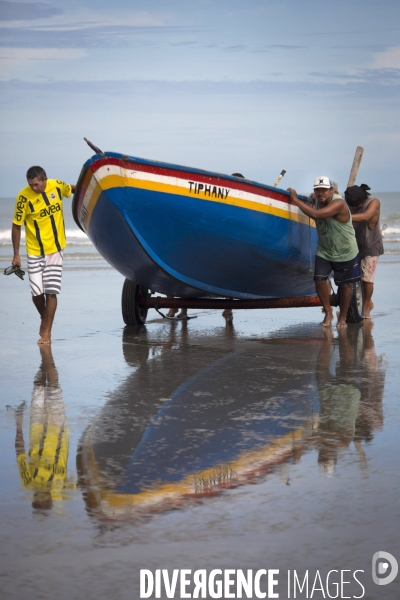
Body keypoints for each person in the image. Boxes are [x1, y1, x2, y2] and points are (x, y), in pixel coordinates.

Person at [12, 166, 75, 344]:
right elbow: (16, 225)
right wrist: (16, 254)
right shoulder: (23, 197)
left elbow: (74, 189)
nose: (34, 188)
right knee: (36, 293)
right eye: (30, 185)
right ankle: (45, 318)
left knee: (51, 292)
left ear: (45, 179)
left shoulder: (56, 186)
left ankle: (47, 333)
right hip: (34, 251)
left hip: (55, 249)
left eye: (36, 184)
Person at [288, 176, 360, 328]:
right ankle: (328, 312)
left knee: (344, 285)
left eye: (324, 190)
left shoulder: (339, 203)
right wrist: (308, 197)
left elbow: (317, 215)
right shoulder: (316, 198)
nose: (321, 193)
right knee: (319, 280)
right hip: (325, 250)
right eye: (317, 190)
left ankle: (343, 318)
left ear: (331, 190)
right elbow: (313, 198)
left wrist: (295, 199)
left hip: (345, 250)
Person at [10, 345, 75, 511]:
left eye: (37, 496)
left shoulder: (28, 482)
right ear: (50, 498)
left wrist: (18, 424)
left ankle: (43, 361)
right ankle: (47, 355)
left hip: (37, 426)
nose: (40, 493)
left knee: (38, 385)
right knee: (53, 386)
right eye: (43, 497)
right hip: (58, 427)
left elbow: (20, 454)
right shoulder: (61, 489)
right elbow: (84, 482)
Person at [344, 184, 383, 319]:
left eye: (356, 206)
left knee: (367, 278)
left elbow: (366, 216)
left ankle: (366, 308)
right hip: (354, 244)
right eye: (351, 206)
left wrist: (340, 216)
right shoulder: (346, 201)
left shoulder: (373, 202)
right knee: (353, 278)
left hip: (372, 244)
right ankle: (357, 305)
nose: (354, 208)